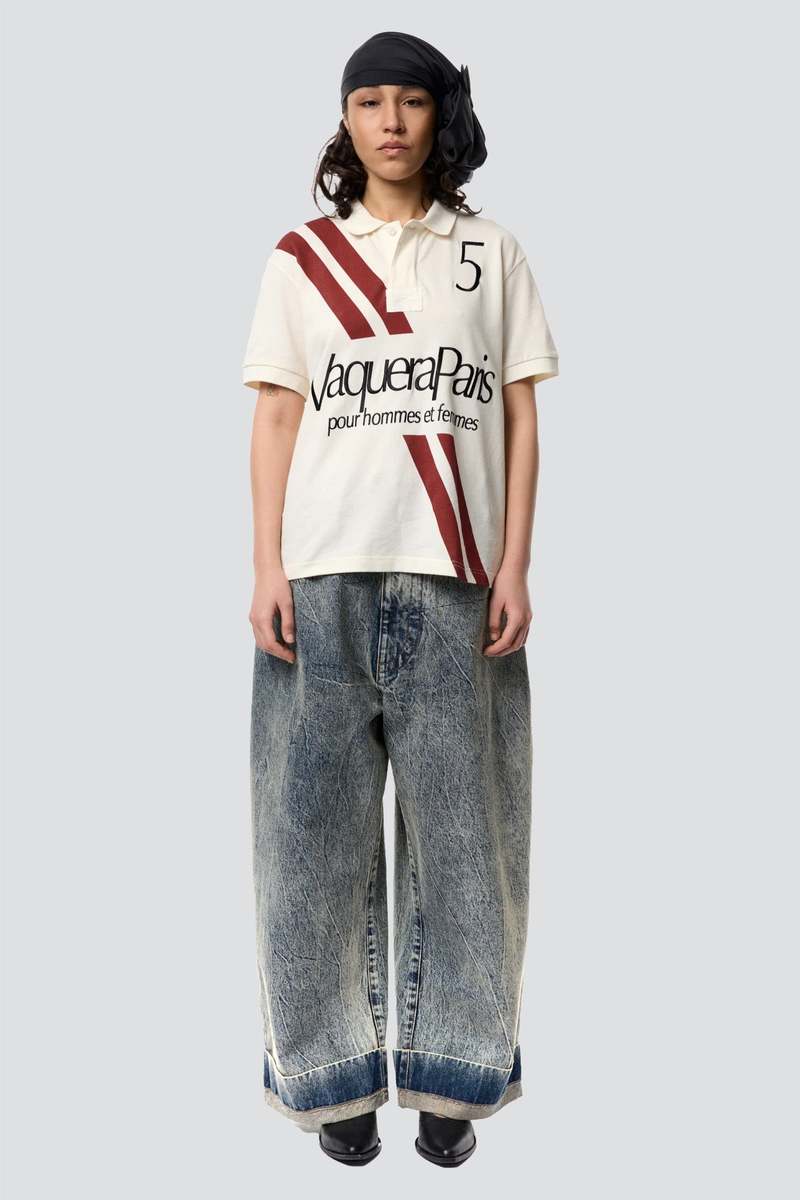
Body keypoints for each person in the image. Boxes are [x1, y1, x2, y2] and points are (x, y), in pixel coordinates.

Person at [242, 30, 559, 1168]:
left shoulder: (490, 253)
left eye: (410, 101)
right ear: (345, 119)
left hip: (456, 581)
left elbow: (519, 418)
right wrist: (267, 565)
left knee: (467, 842)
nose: (389, 121)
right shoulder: (302, 259)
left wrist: (513, 565)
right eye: (368, 100)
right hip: (322, 578)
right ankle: (330, 1079)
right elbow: (277, 413)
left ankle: (451, 1080)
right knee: (309, 841)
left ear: (439, 117)